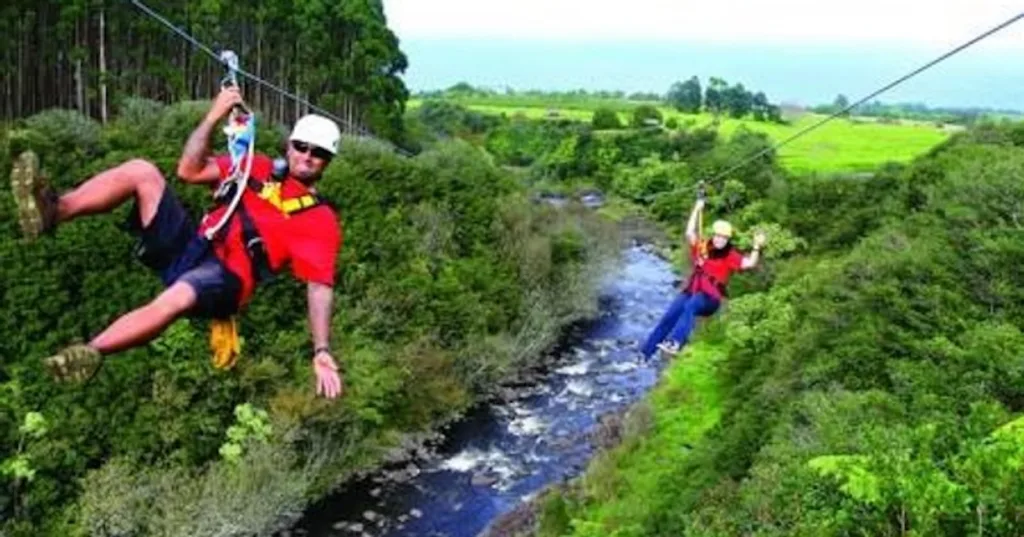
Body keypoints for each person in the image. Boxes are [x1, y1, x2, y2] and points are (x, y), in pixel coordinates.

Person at [8, 87, 344, 398]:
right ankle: (53, 212)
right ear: (290, 145)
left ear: (327, 162)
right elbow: (189, 170)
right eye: (301, 147)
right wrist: (213, 116)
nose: (307, 156)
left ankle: (91, 352)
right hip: (195, 246)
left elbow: (319, 288)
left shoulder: (320, 220)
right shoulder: (256, 166)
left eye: (318, 153)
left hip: (228, 278)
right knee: (141, 171)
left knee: (176, 297)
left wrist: (322, 349)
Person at [640, 196, 766, 359]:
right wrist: (697, 208)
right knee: (670, 316)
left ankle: (676, 342)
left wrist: (756, 247)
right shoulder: (703, 247)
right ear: (714, 236)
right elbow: (689, 232)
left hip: (710, 299)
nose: (720, 240)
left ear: (727, 240)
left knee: (691, 305)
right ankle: (645, 353)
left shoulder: (729, 255)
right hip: (692, 290)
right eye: (718, 236)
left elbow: (749, 263)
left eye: (724, 238)